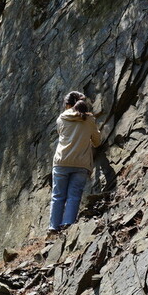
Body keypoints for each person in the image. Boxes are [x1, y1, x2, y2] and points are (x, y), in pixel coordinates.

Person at [49, 91, 102, 232]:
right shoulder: (90, 120)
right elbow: (97, 142)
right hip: (81, 164)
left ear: (68, 105)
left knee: (57, 196)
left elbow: (62, 134)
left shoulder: (61, 119)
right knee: (74, 196)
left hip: (61, 161)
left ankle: (53, 228)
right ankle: (67, 225)